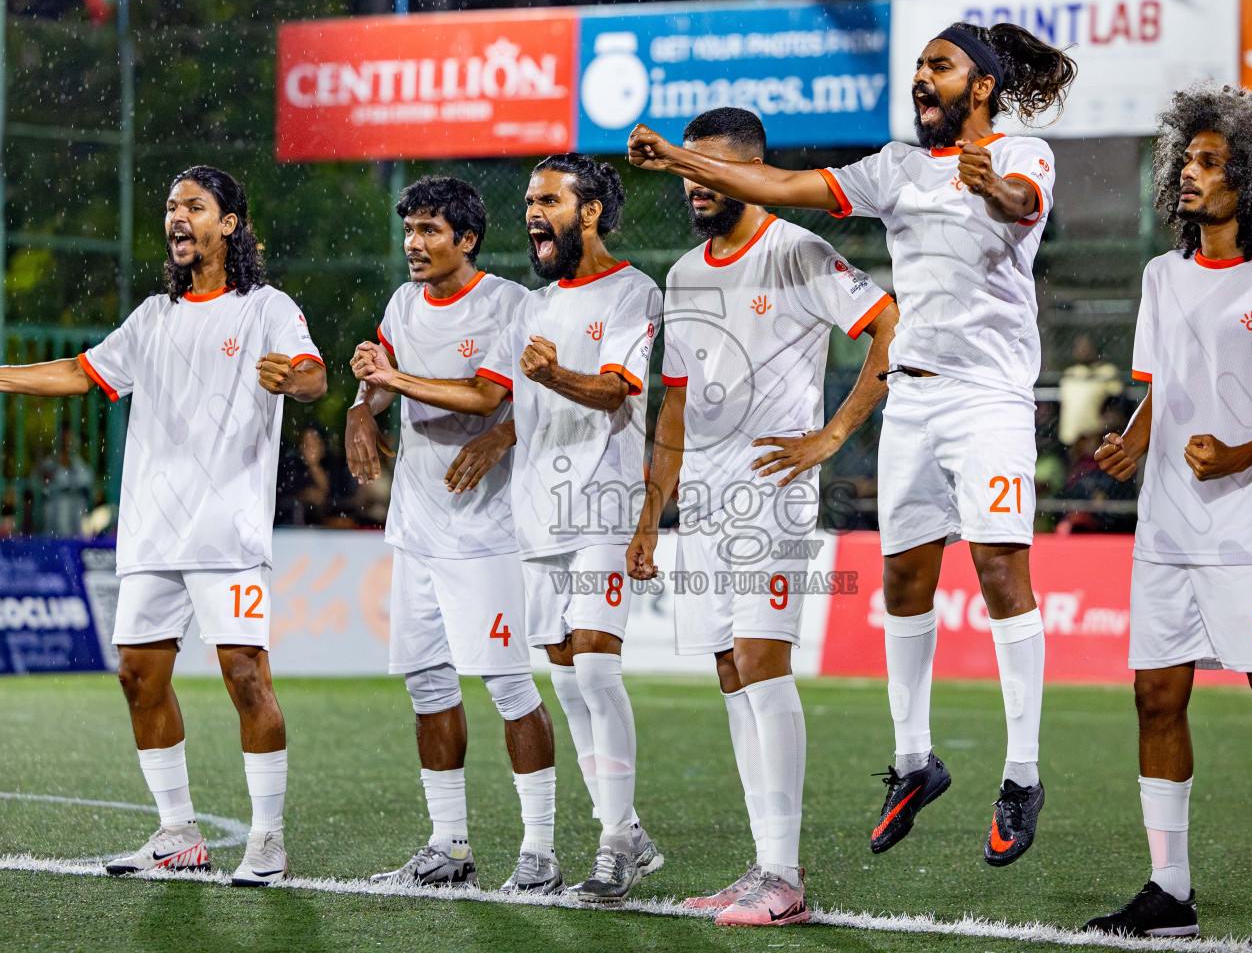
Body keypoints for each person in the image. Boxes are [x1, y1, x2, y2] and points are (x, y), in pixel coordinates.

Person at [629, 21, 1075, 865]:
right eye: (918, 66)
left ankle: (1021, 773)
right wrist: (681, 160)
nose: (921, 78)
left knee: (1000, 568)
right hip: (911, 398)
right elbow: (782, 183)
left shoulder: (1024, 153)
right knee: (904, 579)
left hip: (989, 400)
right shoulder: (895, 167)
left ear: (980, 86)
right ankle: (915, 760)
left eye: (938, 66)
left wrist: (995, 189)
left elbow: (1024, 204)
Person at [0, 165, 326, 885]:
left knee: (245, 676)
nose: (176, 216)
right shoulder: (154, 317)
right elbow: (83, 372)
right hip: (152, 534)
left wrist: (295, 381)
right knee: (136, 677)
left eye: (194, 205)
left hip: (226, 535)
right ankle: (178, 832)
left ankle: (269, 837)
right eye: (169, 206)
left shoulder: (266, 307)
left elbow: (312, 375)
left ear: (230, 224)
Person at [351, 153, 663, 905]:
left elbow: (600, 390)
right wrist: (368, 405)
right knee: (538, 676)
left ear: (588, 211)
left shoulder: (616, 293)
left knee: (577, 673)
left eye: (546, 198)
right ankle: (481, 841)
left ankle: (585, 844)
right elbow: (495, 394)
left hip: (583, 511)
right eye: (528, 199)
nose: (532, 211)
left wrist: (523, 403)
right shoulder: (531, 304)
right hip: (528, 516)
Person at [626, 107, 898, 926]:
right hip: (701, 500)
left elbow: (889, 323)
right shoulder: (681, 274)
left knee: (761, 659)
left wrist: (834, 435)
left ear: (747, 168)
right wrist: (652, 515)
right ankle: (764, 866)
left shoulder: (797, 249)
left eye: (707, 168)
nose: (692, 183)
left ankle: (784, 873)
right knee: (729, 670)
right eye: (685, 170)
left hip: (772, 487)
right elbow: (671, 407)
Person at [1085, 85, 1252, 944]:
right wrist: (1130, 439)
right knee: (1155, 697)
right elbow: (1161, 389)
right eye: (1185, 162)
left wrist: (1236, 456)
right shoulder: (1163, 275)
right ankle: (1169, 893)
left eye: (1209, 164)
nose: (1189, 176)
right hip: (1164, 530)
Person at [344, 174, 563, 894]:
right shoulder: (404, 304)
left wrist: (397, 384)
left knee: (507, 685)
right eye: (409, 230)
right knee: (429, 684)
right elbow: (374, 377)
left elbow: (485, 395)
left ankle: (539, 851)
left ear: (467, 238)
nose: (414, 243)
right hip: (417, 528)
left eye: (430, 230)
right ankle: (449, 849)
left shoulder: (508, 303)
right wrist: (360, 407)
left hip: (487, 532)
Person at [1057, 334, 1122, 447]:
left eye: (1086, 346)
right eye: (1078, 347)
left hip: (1096, 438)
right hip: (1070, 441)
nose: (1082, 350)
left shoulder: (1107, 372)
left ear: (1094, 348)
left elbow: (1117, 402)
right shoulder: (1071, 373)